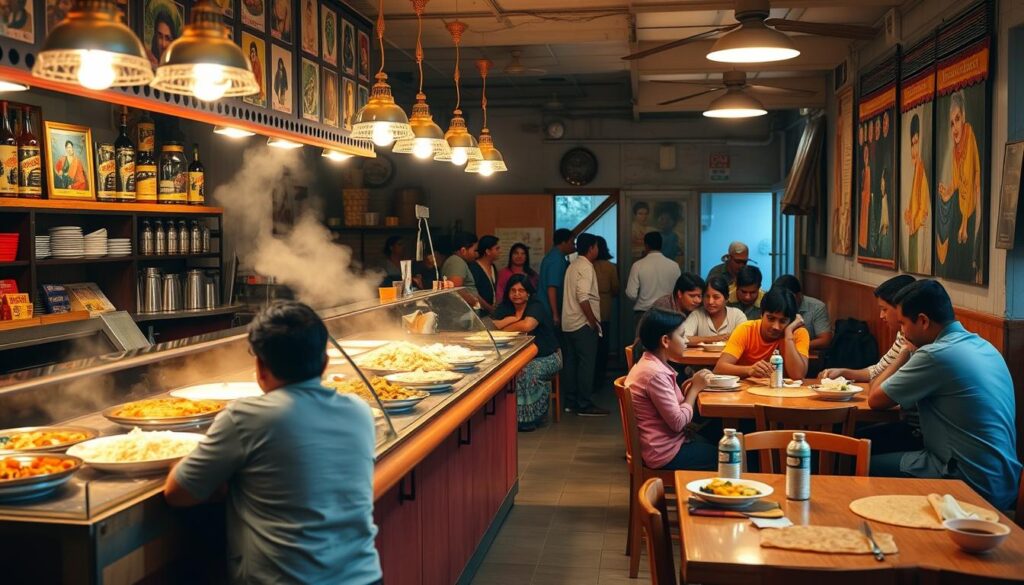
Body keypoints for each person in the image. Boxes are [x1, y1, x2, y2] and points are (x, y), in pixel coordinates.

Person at [164, 302, 382, 584]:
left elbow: (178, 493)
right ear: (325, 363)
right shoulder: (360, 411)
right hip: (365, 578)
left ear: (260, 368)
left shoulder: (245, 417)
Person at [866, 280, 1021, 509]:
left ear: (923, 321)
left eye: (903, 324)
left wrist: (904, 353)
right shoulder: (985, 346)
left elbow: (875, 399)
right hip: (1004, 481)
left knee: (859, 462)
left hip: (967, 481)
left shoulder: (935, 354)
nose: (902, 332)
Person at [821, 275, 921, 455]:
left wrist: (903, 355)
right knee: (840, 438)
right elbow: (878, 370)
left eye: (884, 309)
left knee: (843, 444)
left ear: (901, 308)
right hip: (906, 423)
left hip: (916, 431)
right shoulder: (904, 337)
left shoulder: (917, 345)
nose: (881, 316)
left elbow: (875, 395)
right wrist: (844, 372)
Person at [626, 308, 717, 470]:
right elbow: (678, 422)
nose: (686, 340)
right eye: (682, 335)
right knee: (729, 455)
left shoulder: (651, 363)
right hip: (665, 452)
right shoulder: (655, 374)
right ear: (665, 341)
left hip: (663, 444)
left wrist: (690, 386)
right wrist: (694, 390)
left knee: (715, 437)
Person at [493, 275, 562, 431]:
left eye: (521, 290)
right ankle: (514, 417)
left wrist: (504, 328)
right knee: (510, 372)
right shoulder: (505, 308)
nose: (517, 294)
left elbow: (527, 325)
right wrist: (512, 318)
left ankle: (530, 417)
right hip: (518, 359)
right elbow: (492, 325)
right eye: (513, 290)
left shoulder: (536, 306)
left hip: (548, 357)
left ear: (528, 293)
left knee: (525, 372)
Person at [936, 91, 982, 284]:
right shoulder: (956, 148)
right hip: (962, 206)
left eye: (957, 119)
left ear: (964, 118)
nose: (954, 127)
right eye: (951, 123)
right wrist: (947, 191)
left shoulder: (969, 136)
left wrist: (964, 224)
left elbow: (970, 182)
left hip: (971, 209)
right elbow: (957, 181)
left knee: (965, 262)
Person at [715, 287, 809, 380]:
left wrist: (788, 335)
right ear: (761, 314)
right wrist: (749, 370)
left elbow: (798, 375)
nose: (775, 327)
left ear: (791, 321)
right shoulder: (746, 329)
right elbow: (719, 369)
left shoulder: (798, 333)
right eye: (771, 319)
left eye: (783, 321)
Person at [561, 233, 607, 417]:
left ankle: (570, 402)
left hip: (568, 323)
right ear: (591, 248)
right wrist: (593, 321)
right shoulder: (586, 267)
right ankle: (585, 404)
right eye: (596, 246)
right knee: (586, 365)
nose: (598, 249)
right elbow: (583, 297)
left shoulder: (572, 265)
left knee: (571, 364)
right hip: (582, 324)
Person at [625, 231, 680, 315]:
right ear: (661, 245)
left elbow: (631, 294)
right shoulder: (674, 266)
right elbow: (678, 291)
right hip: (668, 313)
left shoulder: (637, 265)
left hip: (644, 312)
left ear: (646, 245)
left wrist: (642, 299)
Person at [772, 274, 833, 350]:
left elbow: (825, 340)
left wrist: (797, 346)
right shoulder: (774, 304)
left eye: (789, 297)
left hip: (807, 353)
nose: (785, 301)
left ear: (799, 295)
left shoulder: (817, 307)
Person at [683, 276, 746, 345]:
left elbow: (745, 337)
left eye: (716, 297)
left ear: (726, 298)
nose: (710, 302)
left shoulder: (737, 315)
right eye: (707, 296)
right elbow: (683, 338)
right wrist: (713, 339)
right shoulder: (697, 314)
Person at [905, 114, 930, 273]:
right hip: (913, 231)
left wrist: (914, 221)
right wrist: (908, 215)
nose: (913, 149)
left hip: (919, 231)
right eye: (912, 144)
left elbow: (924, 208)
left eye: (916, 142)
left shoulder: (922, 170)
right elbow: (912, 204)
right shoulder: (915, 170)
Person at [592, 236, 619, 386]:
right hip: (605, 309)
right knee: (603, 346)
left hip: (587, 311)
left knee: (591, 347)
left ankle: (590, 378)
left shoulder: (587, 265)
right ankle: (600, 378)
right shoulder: (610, 267)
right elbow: (616, 288)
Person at [441, 232, 490, 312]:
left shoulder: (459, 261)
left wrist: (488, 308)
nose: (477, 254)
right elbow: (455, 290)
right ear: (463, 250)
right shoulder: (456, 261)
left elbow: (472, 292)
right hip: (462, 315)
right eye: (475, 250)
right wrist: (475, 303)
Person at [538, 228, 574, 329]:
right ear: (563, 243)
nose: (574, 246)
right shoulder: (556, 259)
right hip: (548, 309)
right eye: (572, 243)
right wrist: (555, 314)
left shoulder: (553, 256)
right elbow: (552, 287)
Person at [469, 235, 500, 311]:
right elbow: (474, 293)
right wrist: (490, 308)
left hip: (491, 311)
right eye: (497, 249)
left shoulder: (493, 267)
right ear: (488, 251)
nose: (499, 251)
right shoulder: (474, 268)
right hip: (479, 312)